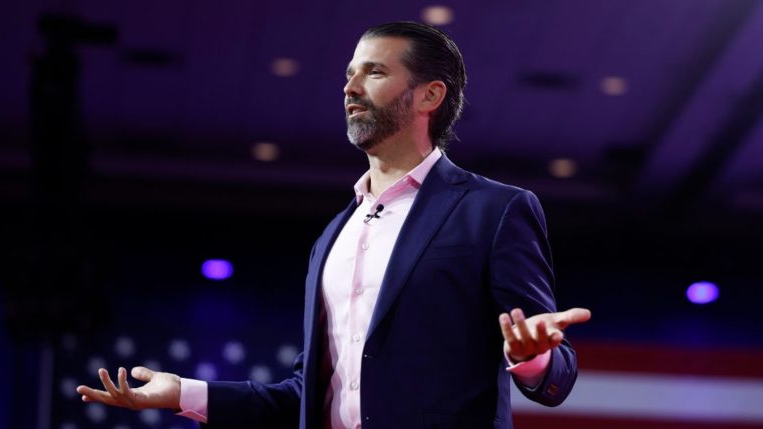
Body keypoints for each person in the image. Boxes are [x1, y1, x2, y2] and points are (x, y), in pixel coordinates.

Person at [78, 21, 591, 429]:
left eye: (373, 72)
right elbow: (306, 396)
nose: (349, 87)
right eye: (349, 73)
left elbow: (557, 374)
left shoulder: (493, 210)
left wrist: (532, 359)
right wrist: (184, 393)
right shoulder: (334, 237)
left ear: (429, 96)